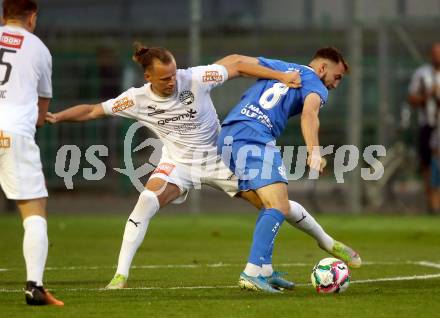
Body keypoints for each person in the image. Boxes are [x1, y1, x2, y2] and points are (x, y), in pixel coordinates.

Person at [46, 44, 360, 292]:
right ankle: (120, 275)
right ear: (148, 78)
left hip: (221, 155)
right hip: (178, 162)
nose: (172, 81)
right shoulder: (134, 100)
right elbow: (91, 111)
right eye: (165, 77)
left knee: (273, 205)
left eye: (173, 74)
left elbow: (236, 63)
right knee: (146, 201)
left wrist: (280, 77)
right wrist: (57, 117)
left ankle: (314, 246)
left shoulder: (194, 77)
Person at [217, 47, 355, 292]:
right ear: (322, 68)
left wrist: (202, 75)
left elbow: (236, 61)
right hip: (253, 136)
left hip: (230, 132)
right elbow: (310, 115)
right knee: (278, 206)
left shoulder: (282, 66)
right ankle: (251, 273)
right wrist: (314, 150)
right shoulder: (317, 86)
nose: (336, 84)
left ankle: (265, 271)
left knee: (275, 204)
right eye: (337, 77)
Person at [0, 0, 63, 306]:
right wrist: (40, 118)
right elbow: (41, 109)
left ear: (3, 15)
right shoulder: (38, 48)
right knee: (33, 209)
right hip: (12, 134)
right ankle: (34, 287)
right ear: (32, 17)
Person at [407, 43, 440, 213]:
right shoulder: (422, 74)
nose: (437, 56)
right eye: (434, 53)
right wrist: (428, 95)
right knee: (427, 165)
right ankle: (432, 204)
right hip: (428, 125)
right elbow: (412, 98)